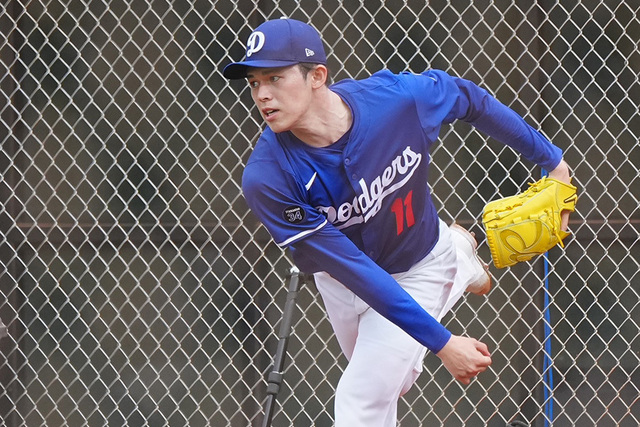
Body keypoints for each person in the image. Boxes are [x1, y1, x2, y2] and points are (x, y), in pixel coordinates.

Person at [223, 18, 572, 426]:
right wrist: (443, 343)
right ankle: (460, 252)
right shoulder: (268, 176)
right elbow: (353, 269)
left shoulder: (398, 100)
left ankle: (452, 257)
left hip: (420, 264)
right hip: (345, 281)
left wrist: (554, 161)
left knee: (360, 400)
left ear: (317, 75)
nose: (262, 95)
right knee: (389, 388)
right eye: (253, 82)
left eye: (275, 78)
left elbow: (469, 98)